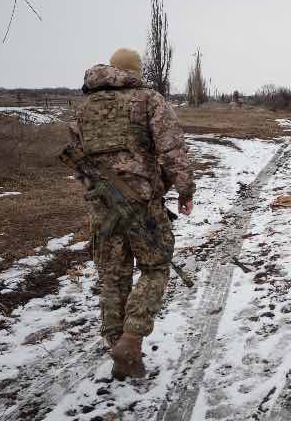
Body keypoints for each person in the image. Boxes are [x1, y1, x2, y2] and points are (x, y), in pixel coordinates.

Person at [67, 48, 195, 379]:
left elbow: (79, 164)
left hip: (103, 207)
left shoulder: (82, 110)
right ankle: (131, 337)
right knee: (155, 266)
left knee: (113, 275)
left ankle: (118, 348)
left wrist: (96, 195)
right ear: (134, 71)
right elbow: (172, 149)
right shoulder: (148, 100)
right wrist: (184, 190)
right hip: (142, 204)